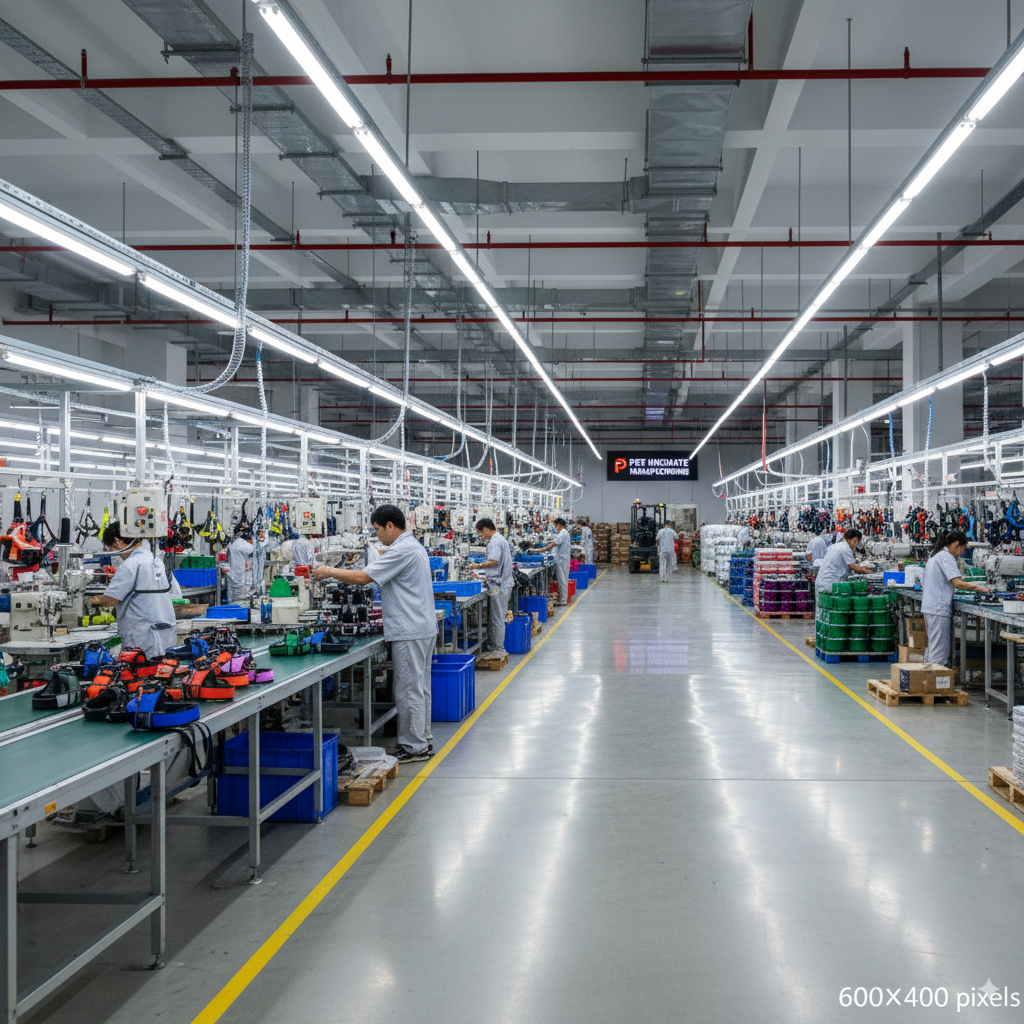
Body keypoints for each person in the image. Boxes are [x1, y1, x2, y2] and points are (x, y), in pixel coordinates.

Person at [313, 505, 435, 763]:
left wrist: (329, 571)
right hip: (421, 627)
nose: (377, 535)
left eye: (378, 529)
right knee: (420, 688)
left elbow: (363, 577)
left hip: (409, 630)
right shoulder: (414, 546)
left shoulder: (401, 550)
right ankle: (422, 739)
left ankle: (414, 747)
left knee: (408, 691)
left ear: (390, 526)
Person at [91, 521, 179, 659]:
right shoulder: (156, 560)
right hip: (163, 636)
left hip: (142, 640)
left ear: (117, 541)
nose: (116, 555)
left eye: (111, 549)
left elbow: (111, 600)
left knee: (141, 676)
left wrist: (97, 600)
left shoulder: (131, 565)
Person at [921, 529, 989, 666]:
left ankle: (927, 679)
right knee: (938, 653)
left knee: (934, 647)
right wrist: (977, 587)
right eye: (963, 548)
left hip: (931, 607)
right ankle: (934, 682)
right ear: (956, 544)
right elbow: (957, 582)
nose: (963, 552)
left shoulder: (936, 556)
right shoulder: (946, 557)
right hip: (938, 608)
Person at [475, 518, 513, 656]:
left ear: (486, 528)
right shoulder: (499, 539)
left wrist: (477, 566)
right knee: (497, 617)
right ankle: (494, 645)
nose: (480, 535)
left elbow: (493, 561)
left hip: (499, 584)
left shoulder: (495, 541)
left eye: (480, 532)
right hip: (501, 582)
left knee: (497, 618)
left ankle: (498, 648)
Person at [814, 528, 872, 593]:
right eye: (854, 541)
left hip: (821, 581)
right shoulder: (845, 548)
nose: (855, 545)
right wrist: (870, 573)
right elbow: (853, 566)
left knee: (821, 602)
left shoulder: (836, 546)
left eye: (857, 543)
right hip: (829, 583)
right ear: (848, 539)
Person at [534, 516, 571, 605]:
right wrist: (550, 541)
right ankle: (563, 599)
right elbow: (556, 542)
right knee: (563, 579)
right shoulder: (564, 533)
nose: (555, 528)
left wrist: (538, 550)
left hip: (562, 560)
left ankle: (563, 600)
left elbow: (552, 545)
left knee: (562, 580)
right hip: (563, 559)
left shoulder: (563, 533)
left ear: (559, 525)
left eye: (555, 526)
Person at [225, 528, 254, 603]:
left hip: (233, 581)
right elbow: (257, 550)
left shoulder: (233, 544)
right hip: (241, 583)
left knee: (234, 605)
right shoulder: (241, 544)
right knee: (243, 604)